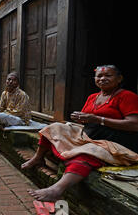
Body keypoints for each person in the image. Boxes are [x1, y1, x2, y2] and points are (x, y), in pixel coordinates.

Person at [22, 65, 138, 202]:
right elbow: (87, 119)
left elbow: (134, 125)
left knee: (87, 153)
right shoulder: (92, 97)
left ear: (119, 79)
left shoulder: (127, 96)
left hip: (116, 142)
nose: (102, 79)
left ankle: (57, 190)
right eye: (99, 76)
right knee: (54, 127)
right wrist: (80, 118)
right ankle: (38, 158)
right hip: (91, 135)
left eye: (108, 75)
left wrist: (98, 119)